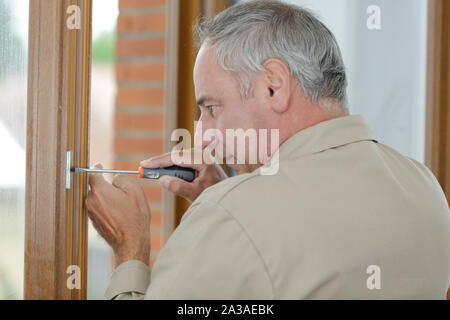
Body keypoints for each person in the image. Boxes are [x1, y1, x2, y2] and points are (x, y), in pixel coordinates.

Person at [86, 0, 450, 299]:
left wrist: (129, 249)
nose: (204, 136)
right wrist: (229, 200)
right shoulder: (425, 188)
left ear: (274, 87)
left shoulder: (230, 215)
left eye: (211, 108)